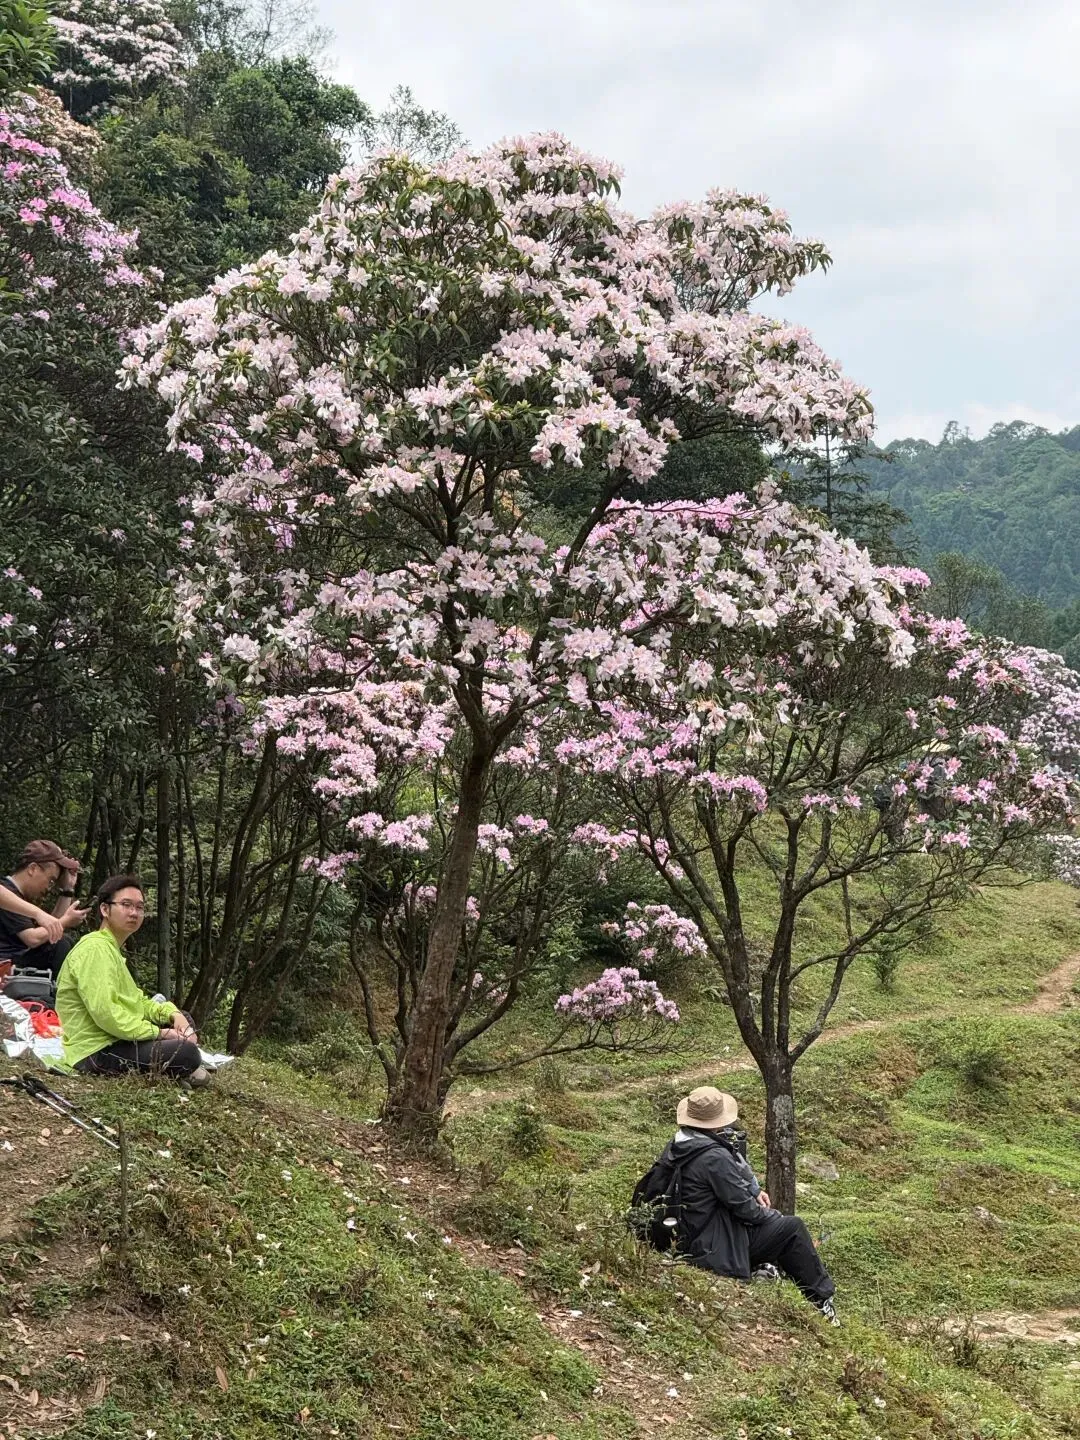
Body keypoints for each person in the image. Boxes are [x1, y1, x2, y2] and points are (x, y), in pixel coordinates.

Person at [659, 1086, 838, 1322]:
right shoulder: (713, 1157)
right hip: (710, 1244)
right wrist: (773, 1216)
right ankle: (822, 1302)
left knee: (777, 1229)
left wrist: (753, 1190)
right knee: (792, 1229)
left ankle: (769, 1271)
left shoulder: (679, 1145)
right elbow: (746, 1209)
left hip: (687, 1231)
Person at [56, 874, 209, 1087]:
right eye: (126, 905)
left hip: (119, 1039)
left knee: (183, 1019)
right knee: (187, 1053)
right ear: (105, 910)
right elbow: (107, 1015)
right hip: (97, 1051)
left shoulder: (112, 950)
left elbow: (137, 1002)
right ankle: (184, 1067)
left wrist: (172, 1014)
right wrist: (162, 1033)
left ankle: (179, 1066)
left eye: (139, 907)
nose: (134, 912)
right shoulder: (95, 949)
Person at [0, 840, 89, 979]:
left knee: (61, 941)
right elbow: (33, 938)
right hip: (6, 965)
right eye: (51, 880)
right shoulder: (8, 893)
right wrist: (64, 921)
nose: (49, 887)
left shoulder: (21, 897)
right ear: (33, 869)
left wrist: (68, 889)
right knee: (61, 944)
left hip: (18, 962)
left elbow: (50, 930)